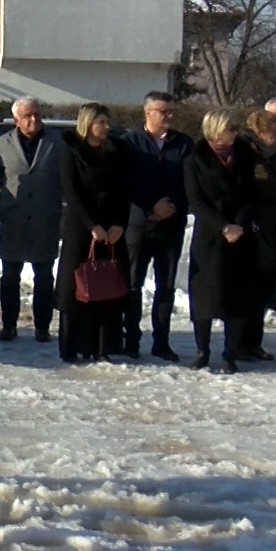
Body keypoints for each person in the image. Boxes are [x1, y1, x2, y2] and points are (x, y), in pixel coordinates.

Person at [184, 108, 264, 374]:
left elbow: (252, 194)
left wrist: (238, 224)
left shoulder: (244, 154)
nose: (235, 132)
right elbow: (196, 200)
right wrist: (223, 225)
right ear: (215, 130)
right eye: (230, 128)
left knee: (237, 296)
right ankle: (202, 351)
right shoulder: (195, 158)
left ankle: (230, 354)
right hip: (210, 235)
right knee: (206, 295)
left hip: (240, 235)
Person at [56, 103, 132, 363]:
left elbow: (124, 191)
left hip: (112, 229)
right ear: (88, 123)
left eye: (107, 122)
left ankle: (103, 346)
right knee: (77, 285)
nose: (106, 127)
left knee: (108, 285)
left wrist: (119, 224)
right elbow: (72, 193)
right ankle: (72, 345)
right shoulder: (70, 152)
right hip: (82, 228)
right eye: (101, 122)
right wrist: (93, 226)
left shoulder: (117, 151)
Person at [119, 91, 191, 361]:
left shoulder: (182, 143)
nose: (169, 116)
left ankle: (161, 340)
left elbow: (190, 181)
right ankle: (131, 339)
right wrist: (151, 205)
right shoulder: (130, 143)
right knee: (133, 283)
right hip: (139, 223)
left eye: (172, 111)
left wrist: (171, 205)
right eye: (163, 111)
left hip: (171, 224)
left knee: (166, 285)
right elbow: (126, 182)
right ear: (147, 113)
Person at [0, 96, 63, 342]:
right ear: (16, 120)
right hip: (15, 218)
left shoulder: (56, 142)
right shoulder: (2, 143)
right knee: (10, 276)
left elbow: (64, 176)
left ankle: (42, 327)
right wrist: (10, 199)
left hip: (45, 217)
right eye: (28, 116)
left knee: (44, 276)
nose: (34, 120)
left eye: (37, 115)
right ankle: (8, 325)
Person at [240, 109, 276, 361]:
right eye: (274, 130)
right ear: (260, 131)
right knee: (249, 288)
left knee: (264, 288)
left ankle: (254, 342)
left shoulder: (275, 156)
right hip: (254, 228)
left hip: (274, 228)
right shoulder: (248, 153)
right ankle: (240, 342)